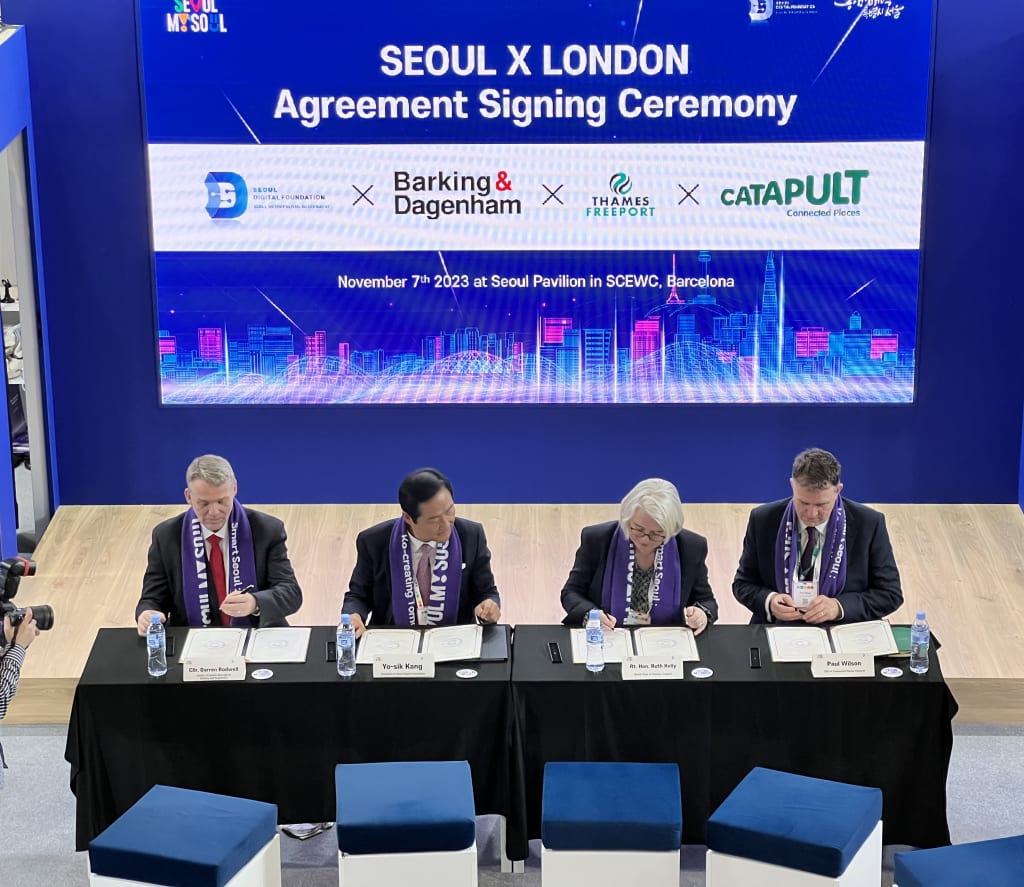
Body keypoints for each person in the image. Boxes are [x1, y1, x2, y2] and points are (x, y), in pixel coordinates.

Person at [732, 447, 903, 624]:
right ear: (792, 485)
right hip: (778, 628)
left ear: (839, 490)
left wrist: (839, 607)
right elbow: (743, 584)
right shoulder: (763, 520)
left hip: (843, 630)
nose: (812, 513)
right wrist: (770, 601)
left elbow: (890, 594)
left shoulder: (868, 523)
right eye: (803, 502)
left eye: (821, 504)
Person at [135, 454, 302, 635]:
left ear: (235, 489)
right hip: (192, 640)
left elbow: (291, 593)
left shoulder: (267, 530)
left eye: (222, 501)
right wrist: (147, 614)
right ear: (188, 496)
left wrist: (255, 603)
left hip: (258, 636)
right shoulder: (166, 536)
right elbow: (152, 599)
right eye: (204, 503)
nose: (214, 512)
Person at [343, 468, 501, 637]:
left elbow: (486, 591)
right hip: (393, 639)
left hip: (455, 639)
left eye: (450, 511)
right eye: (434, 520)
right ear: (408, 518)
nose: (447, 524)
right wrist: (354, 615)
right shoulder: (374, 542)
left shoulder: (471, 536)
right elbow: (358, 595)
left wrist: (489, 605)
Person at [560, 478, 718, 632]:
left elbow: (706, 601)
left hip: (665, 640)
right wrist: (591, 615)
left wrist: (702, 614)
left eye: (656, 534)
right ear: (627, 518)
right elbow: (571, 593)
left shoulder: (691, 547)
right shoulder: (597, 540)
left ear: (671, 530)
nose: (644, 540)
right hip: (609, 635)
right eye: (638, 529)